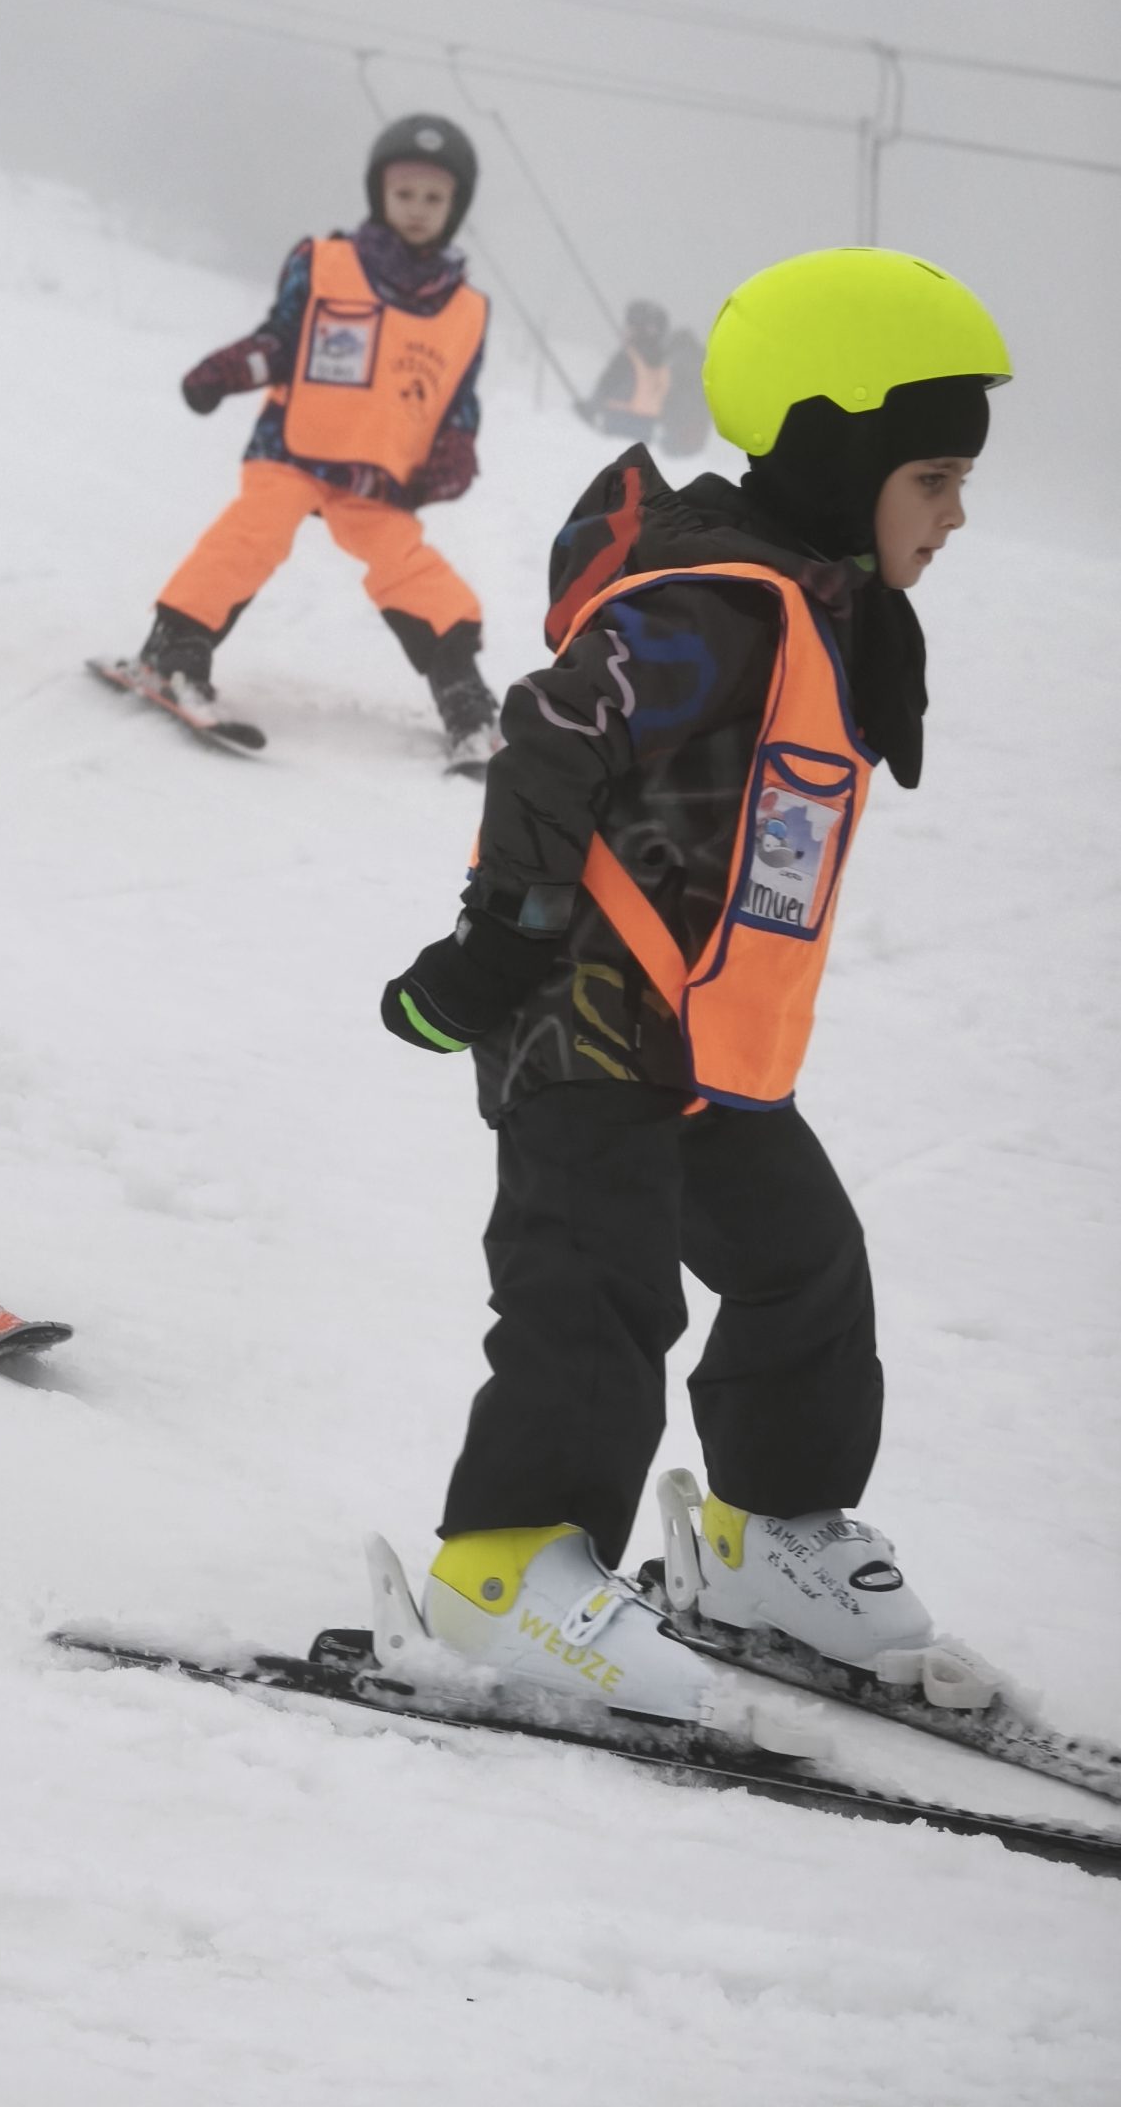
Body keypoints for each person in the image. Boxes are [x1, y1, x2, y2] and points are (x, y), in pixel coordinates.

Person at [377, 246, 1009, 1718]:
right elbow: (551, 735)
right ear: (839, 455)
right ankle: (505, 1566)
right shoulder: (714, 606)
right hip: (587, 1021)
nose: (955, 512)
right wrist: (500, 940)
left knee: (803, 1264)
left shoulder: (820, 607)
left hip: (707, 1046)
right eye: (932, 477)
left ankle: (764, 1539)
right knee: (594, 1292)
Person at [115, 115, 499, 772]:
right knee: (254, 533)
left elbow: (459, 397)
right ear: (379, 193)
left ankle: (464, 696)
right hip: (294, 448)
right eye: (405, 194)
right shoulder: (325, 262)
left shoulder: (467, 309)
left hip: (380, 475)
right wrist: (228, 370)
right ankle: (173, 648)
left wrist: (456, 448)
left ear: (455, 207)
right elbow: (281, 339)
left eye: (434, 199)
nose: (417, 209)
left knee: (413, 570)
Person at [576, 298, 708, 457]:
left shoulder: (627, 358)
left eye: (629, 326)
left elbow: (605, 388)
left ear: (638, 329)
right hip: (646, 430)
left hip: (617, 425)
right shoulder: (662, 364)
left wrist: (588, 410)